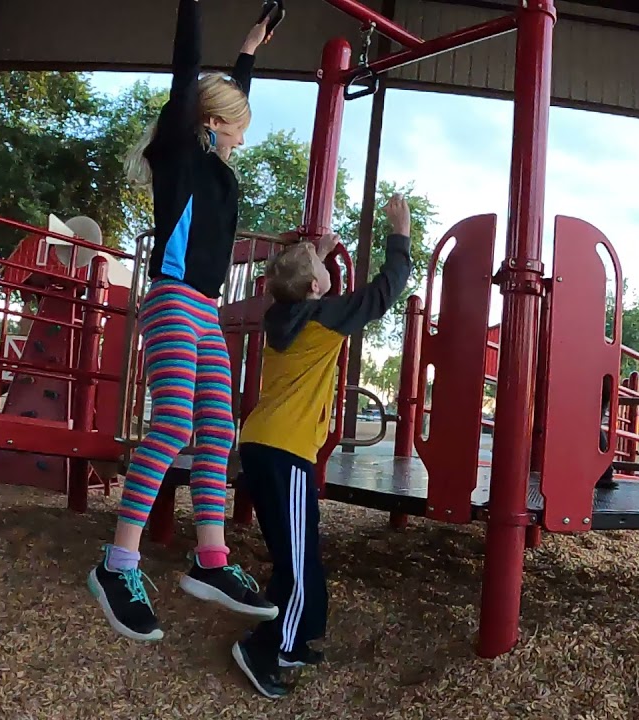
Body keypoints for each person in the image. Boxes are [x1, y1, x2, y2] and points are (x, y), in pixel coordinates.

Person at [87, 0, 276, 643]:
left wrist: (250, 48)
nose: (244, 136)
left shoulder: (220, 171)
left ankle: (210, 560)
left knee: (219, 430)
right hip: (171, 300)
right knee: (172, 424)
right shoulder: (179, 154)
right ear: (213, 124)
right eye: (238, 126)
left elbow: (228, 93)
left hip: (207, 312)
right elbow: (188, 74)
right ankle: (117, 563)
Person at [232, 195, 413, 699]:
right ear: (315, 287)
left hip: (261, 444)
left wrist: (321, 251)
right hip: (286, 450)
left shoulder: (282, 317)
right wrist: (399, 234)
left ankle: (294, 636)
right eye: (320, 266)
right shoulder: (321, 319)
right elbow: (382, 294)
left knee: (299, 550)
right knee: (297, 557)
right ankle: (264, 649)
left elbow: (298, 280)